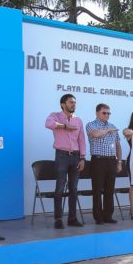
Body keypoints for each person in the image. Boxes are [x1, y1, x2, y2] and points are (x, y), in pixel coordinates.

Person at [44, 94, 86, 229]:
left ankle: (72, 218)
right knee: (60, 188)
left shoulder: (78, 120)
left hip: (76, 156)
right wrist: (64, 126)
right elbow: (48, 124)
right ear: (63, 104)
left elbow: (82, 140)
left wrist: (83, 158)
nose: (73, 105)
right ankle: (58, 219)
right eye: (70, 102)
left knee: (74, 188)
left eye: (74, 102)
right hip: (62, 156)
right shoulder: (55, 116)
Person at [86, 103, 122, 224]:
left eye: (108, 113)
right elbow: (95, 134)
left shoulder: (113, 126)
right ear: (97, 113)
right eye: (104, 113)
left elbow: (118, 145)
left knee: (109, 190)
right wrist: (108, 130)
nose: (107, 115)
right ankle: (98, 217)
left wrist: (119, 161)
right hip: (98, 160)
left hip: (112, 160)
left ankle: (108, 216)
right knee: (97, 190)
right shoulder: (91, 125)